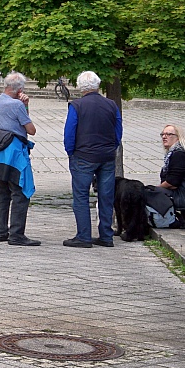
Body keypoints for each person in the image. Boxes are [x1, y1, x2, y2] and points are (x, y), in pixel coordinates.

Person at [63, 70, 122, 248]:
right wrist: (112, 147)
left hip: (83, 155)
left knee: (81, 196)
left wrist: (70, 152)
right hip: (107, 156)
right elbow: (118, 130)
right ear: (98, 85)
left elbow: (70, 132)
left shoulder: (76, 106)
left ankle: (84, 236)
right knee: (106, 196)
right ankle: (106, 235)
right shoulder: (111, 105)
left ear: (80, 87)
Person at [0, 72, 38, 246]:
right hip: (13, 155)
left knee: (2, 192)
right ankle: (16, 235)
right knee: (20, 193)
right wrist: (26, 106)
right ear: (20, 89)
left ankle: (0, 232)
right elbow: (31, 130)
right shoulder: (17, 105)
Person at [157, 124, 185, 214]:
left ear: (178, 137)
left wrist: (155, 189)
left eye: (169, 134)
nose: (164, 137)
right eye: (163, 134)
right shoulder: (177, 152)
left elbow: (172, 183)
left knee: (145, 193)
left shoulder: (179, 154)